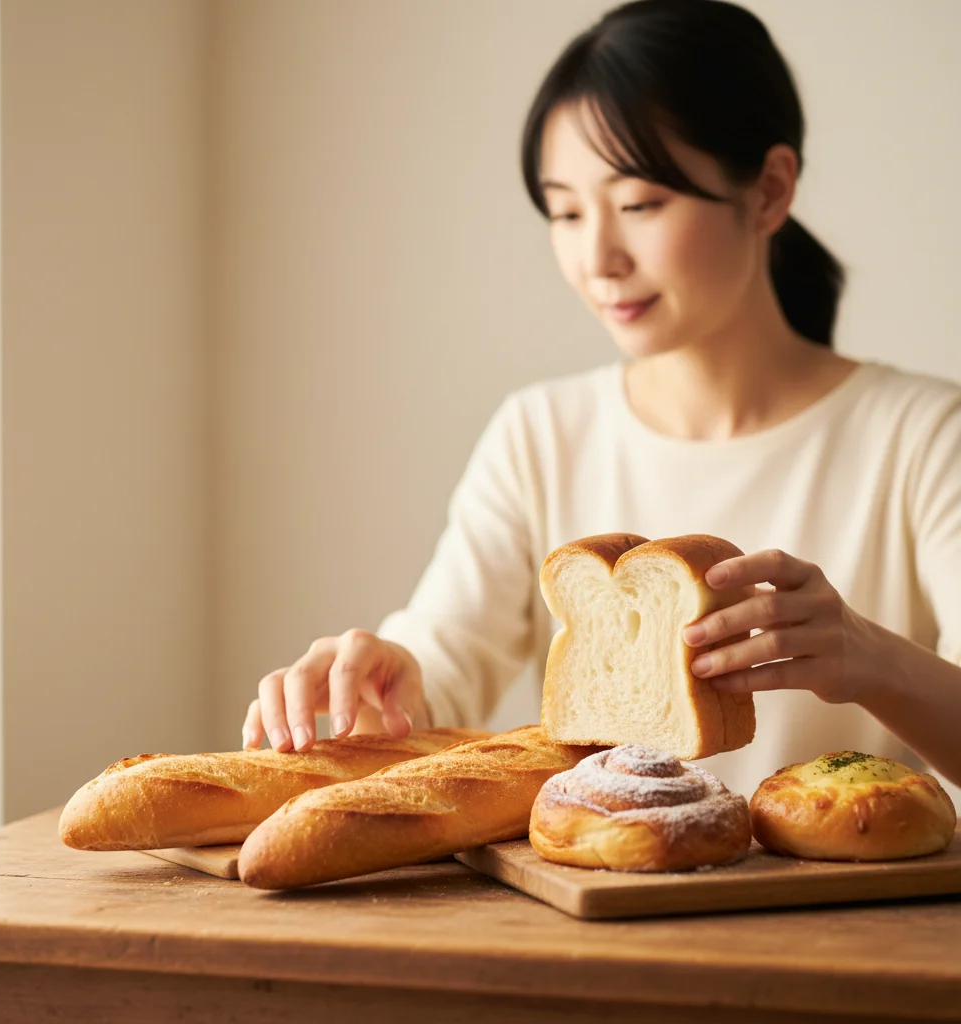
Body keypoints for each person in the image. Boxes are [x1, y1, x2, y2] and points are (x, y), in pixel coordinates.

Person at [241, 0, 961, 796]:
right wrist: (384, 680)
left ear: (769, 190)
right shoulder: (541, 433)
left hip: (851, 879)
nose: (598, 258)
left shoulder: (927, 437)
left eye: (639, 205)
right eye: (566, 211)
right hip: (597, 875)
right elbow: (443, 664)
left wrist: (872, 659)